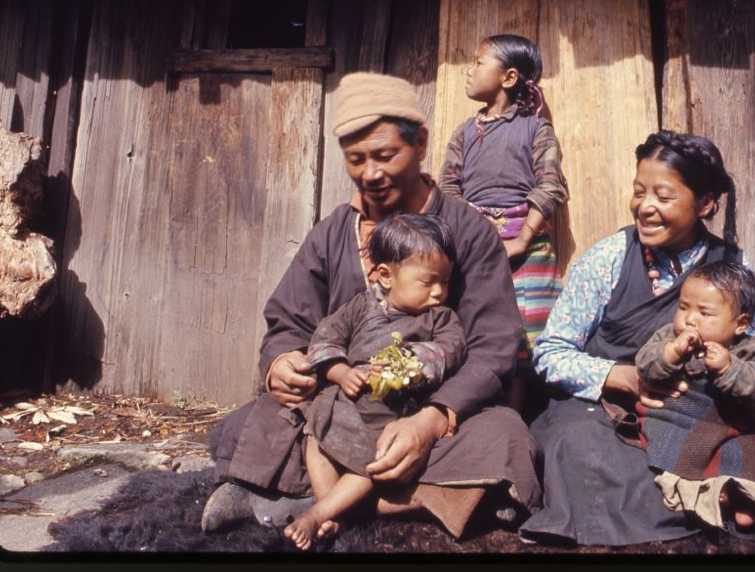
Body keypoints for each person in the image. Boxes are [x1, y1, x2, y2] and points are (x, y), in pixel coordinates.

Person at [203, 72, 541, 540]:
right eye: (356, 159)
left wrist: (431, 419)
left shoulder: (469, 232)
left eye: (385, 155)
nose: (371, 173)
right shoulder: (331, 234)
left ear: (420, 143)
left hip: (433, 410)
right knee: (252, 421)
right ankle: (417, 501)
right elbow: (289, 320)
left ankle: (310, 500)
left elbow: (494, 347)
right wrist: (282, 362)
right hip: (346, 410)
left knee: (505, 436)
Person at [518, 130, 755, 553]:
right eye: (639, 192)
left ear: (705, 203)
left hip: (705, 419)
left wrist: (727, 376)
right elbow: (550, 353)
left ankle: (745, 503)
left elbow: (753, 361)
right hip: (608, 413)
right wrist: (623, 376)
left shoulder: (733, 269)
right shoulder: (608, 259)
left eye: (663, 196)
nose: (645, 207)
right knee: (581, 451)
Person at [284, 213, 466, 550]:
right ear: (385, 275)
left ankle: (318, 513)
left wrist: (409, 365)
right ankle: (335, 512)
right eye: (428, 282)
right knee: (313, 433)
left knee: (373, 459)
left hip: (388, 416)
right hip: (341, 404)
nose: (439, 291)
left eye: (446, 280)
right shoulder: (358, 307)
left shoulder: (439, 317)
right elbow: (325, 340)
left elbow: (449, 350)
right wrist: (341, 372)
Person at [438, 34, 569, 421]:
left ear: (508, 77)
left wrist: (522, 238)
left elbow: (551, 185)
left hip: (525, 247)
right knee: (479, 328)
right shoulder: (464, 133)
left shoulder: (536, 129)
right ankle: (477, 414)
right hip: (474, 244)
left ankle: (517, 421)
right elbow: (448, 187)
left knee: (524, 342)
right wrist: (476, 236)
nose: (469, 69)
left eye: (478, 62)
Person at [627, 260, 755, 534]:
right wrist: (671, 352)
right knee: (670, 450)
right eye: (683, 308)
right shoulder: (668, 337)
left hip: (725, 428)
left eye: (704, 313)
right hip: (673, 421)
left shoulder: (748, 350)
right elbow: (644, 364)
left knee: (753, 450)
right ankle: (711, 492)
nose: (690, 319)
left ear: (741, 324)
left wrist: (730, 368)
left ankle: (745, 499)